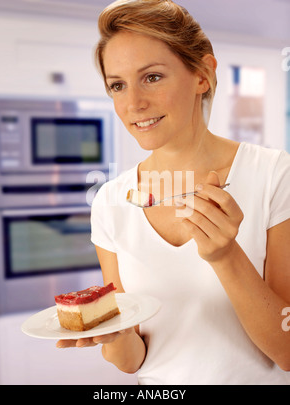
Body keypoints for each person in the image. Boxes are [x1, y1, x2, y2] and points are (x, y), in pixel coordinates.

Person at [57, 0, 290, 385]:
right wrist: (115, 335)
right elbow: (134, 360)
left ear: (202, 74)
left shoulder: (274, 174)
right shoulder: (111, 202)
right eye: (117, 85)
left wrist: (225, 255)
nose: (133, 104)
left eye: (151, 77)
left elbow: (286, 352)